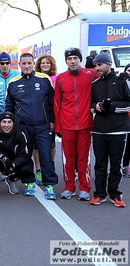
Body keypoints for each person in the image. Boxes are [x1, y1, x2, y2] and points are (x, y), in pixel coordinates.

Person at [5, 53, 58, 200]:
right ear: (19, 65)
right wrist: (10, 125)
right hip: (22, 126)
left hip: (42, 125)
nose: (27, 66)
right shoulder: (13, 83)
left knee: (46, 155)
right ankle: (29, 182)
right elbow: (9, 107)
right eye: (24, 63)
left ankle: (49, 185)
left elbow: (52, 103)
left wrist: (52, 121)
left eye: (29, 63)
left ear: (33, 63)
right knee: (25, 155)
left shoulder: (44, 79)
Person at [54, 48, 98, 201]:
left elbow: (104, 80)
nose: (72, 61)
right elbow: (57, 104)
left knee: (84, 158)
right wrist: (58, 126)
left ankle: (85, 188)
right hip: (67, 125)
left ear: (80, 60)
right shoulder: (60, 78)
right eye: (69, 59)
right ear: (66, 61)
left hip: (86, 125)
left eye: (75, 58)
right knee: (68, 158)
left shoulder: (90, 75)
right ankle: (69, 186)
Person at [90, 53, 130, 208]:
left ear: (108, 64)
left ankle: (115, 194)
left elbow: (128, 103)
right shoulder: (95, 83)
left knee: (115, 164)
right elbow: (91, 103)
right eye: (95, 65)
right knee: (99, 164)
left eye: (99, 65)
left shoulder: (122, 81)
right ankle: (99, 194)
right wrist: (96, 107)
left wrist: (112, 107)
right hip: (99, 130)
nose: (96, 68)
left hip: (118, 130)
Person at [0, 111, 35, 199]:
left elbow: (24, 155)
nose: (6, 125)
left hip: (12, 163)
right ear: (0, 122)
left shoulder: (20, 134)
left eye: (9, 122)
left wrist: (14, 164)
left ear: (13, 123)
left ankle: (11, 179)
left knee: (27, 168)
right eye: (4, 122)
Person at [33, 54, 58, 186]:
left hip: (51, 115)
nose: (45, 65)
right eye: (42, 63)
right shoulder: (35, 78)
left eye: (48, 63)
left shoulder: (55, 78)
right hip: (37, 117)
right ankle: (39, 170)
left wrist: (54, 118)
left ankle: (48, 167)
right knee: (36, 146)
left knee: (51, 144)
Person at [119, 63, 130, 177]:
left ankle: (126, 166)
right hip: (124, 118)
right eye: (129, 70)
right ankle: (123, 166)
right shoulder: (122, 81)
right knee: (124, 145)